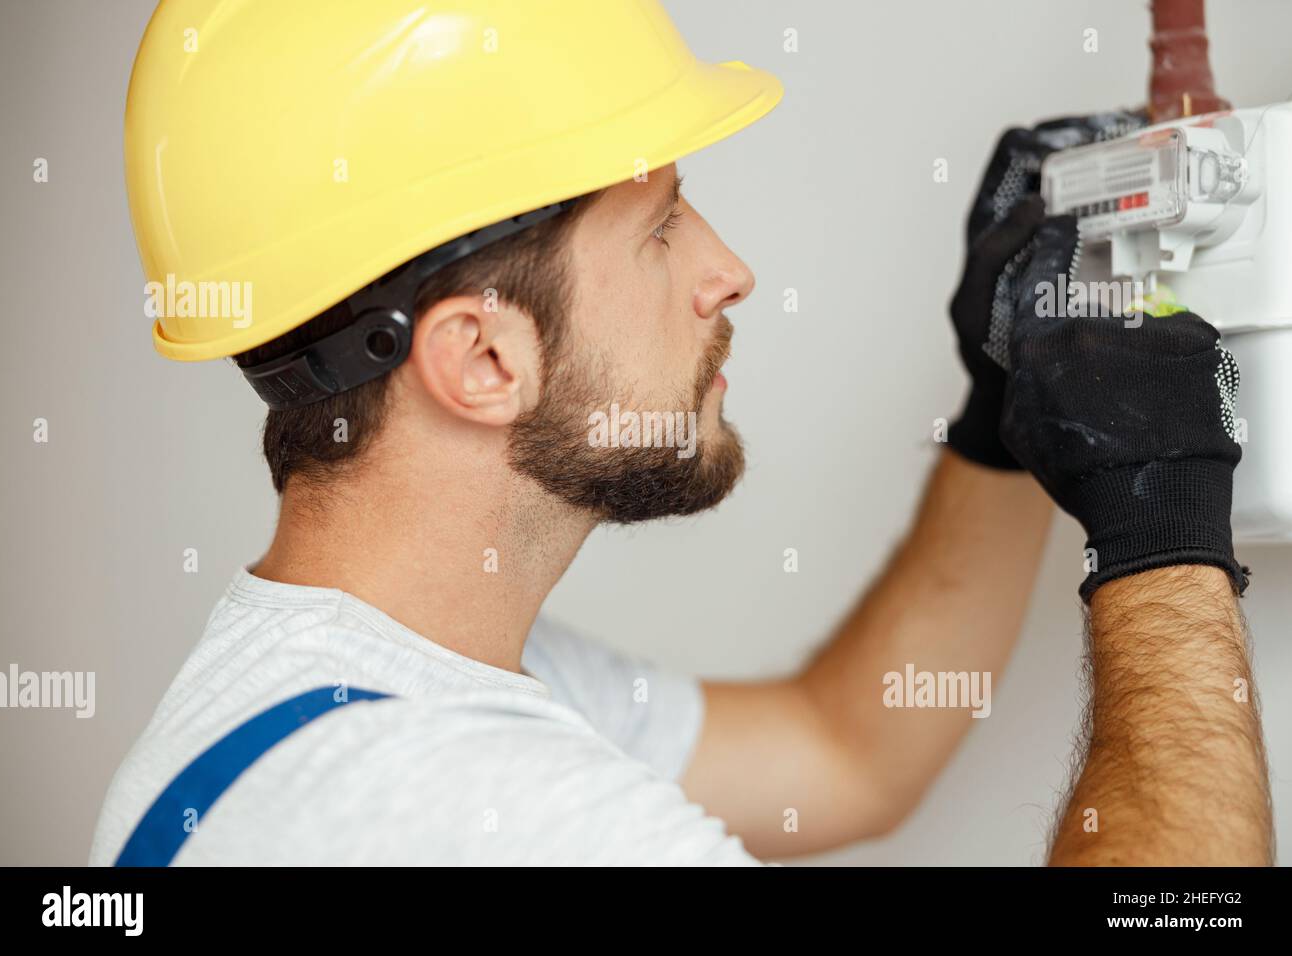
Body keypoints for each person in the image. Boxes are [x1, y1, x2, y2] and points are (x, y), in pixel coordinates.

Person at [91, 0, 1271, 865]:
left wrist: (999, 416)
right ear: (482, 358)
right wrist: (1160, 523)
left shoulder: (386, 680)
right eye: (658, 228)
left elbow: (842, 751)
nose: (729, 270)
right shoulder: (451, 809)